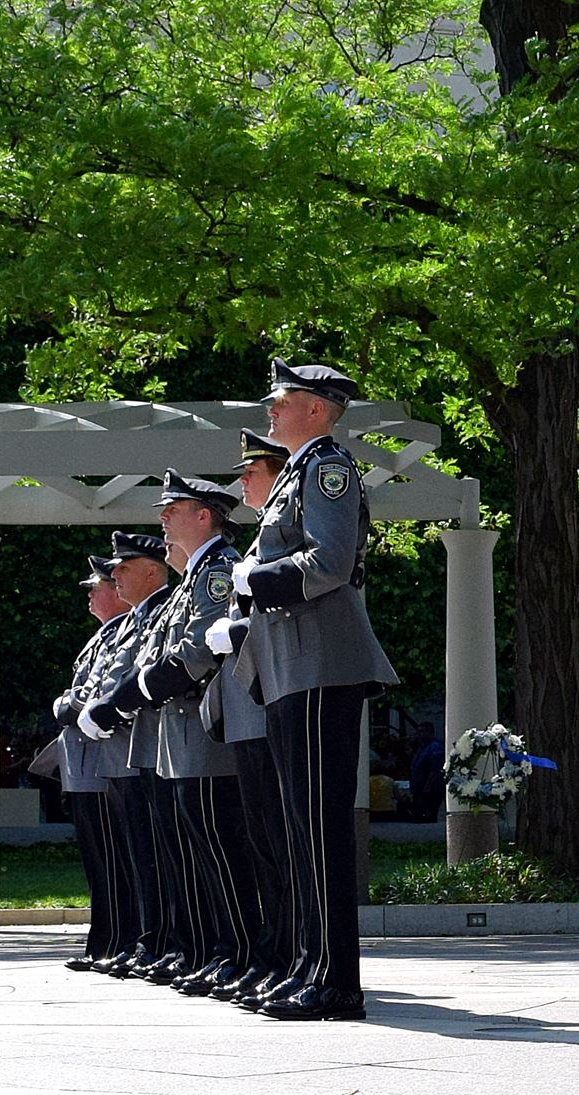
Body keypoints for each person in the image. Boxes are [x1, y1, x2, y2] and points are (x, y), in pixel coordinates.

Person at [216, 359, 398, 1021]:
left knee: (319, 829)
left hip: (320, 662)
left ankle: (336, 983)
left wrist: (253, 579)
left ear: (317, 409)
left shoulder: (328, 468)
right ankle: (309, 967)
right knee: (299, 830)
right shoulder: (297, 472)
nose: (271, 410)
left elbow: (329, 560)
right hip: (291, 665)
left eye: (282, 400)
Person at [96, 471, 258, 999]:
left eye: (173, 509)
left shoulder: (217, 570)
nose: (163, 519)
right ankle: (213, 952)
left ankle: (237, 953)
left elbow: (193, 655)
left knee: (220, 852)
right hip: (179, 734)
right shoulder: (195, 577)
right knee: (195, 855)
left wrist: (128, 694)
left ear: (204, 515)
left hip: (205, 732)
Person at [199, 428, 297, 1008]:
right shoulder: (260, 539)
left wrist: (235, 631)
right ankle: (274, 957)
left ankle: (285, 957)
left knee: (279, 846)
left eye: (251, 472)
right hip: (252, 707)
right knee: (264, 847)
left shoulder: (267, 540)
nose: (242, 483)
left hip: (267, 704)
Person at [76, 533, 175, 979]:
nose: (114, 577)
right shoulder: (137, 620)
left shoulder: (156, 613)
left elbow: (129, 681)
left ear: (152, 571)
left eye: (123, 568)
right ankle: (146, 944)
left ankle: (165, 945)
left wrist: (96, 707)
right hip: (123, 754)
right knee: (135, 859)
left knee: (158, 859)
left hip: (146, 749)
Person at [53, 555, 131, 972]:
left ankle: (114, 942)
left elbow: (95, 694)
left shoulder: (122, 632)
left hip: (101, 763)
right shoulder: (105, 636)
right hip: (86, 764)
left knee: (111, 860)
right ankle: (104, 940)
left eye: (96, 587)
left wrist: (66, 704)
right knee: (98, 861)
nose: (91, 594)